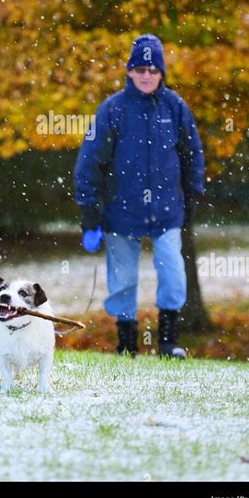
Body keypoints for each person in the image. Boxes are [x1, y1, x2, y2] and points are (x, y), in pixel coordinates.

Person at [74, 34, 205, 359]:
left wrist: (192, 195)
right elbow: (89, 161)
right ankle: (126, 345)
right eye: (140, 68)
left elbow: (192, 154)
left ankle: (169, 342)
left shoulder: (175, 107)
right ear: (129, 72)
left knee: (174, 274)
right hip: (121, 212)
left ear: (162, 73)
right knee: (122, 279)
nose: (147, 75)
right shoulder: (112, 110)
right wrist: (88, 209)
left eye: (153, 69)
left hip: (166, 212)